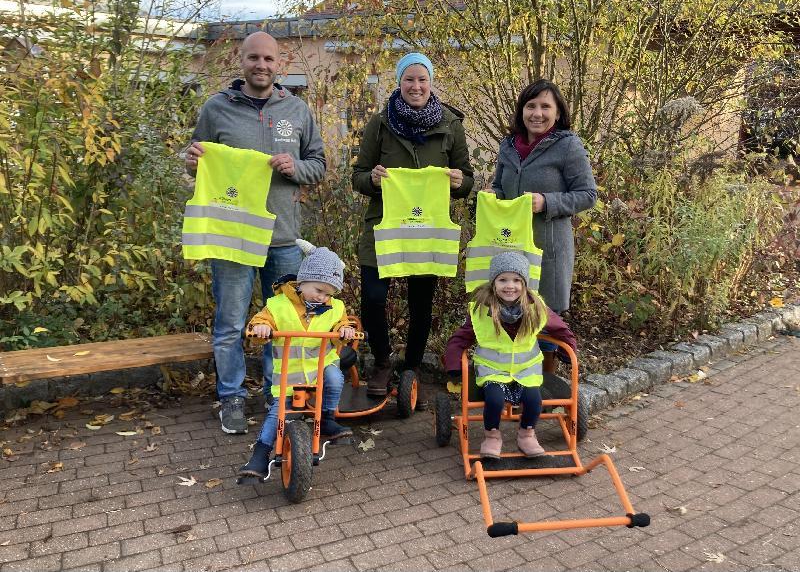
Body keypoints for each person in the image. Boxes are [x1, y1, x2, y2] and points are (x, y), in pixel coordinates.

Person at [185, 32, 326, 434]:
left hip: (282, 239)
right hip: (231, 238)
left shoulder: (297, 109)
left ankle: (275, 393)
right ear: (241, 61)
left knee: (282, 323)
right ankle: (231, 397)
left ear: (280, 63)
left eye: (268, 58)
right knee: (230, 324)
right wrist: (192, 161)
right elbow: (194, 167)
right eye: (253, 58)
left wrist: (294, 168)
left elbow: (318, 164)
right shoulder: (216, 108)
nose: (261, 65)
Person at [352, 52, 475, 396]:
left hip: (428, 227)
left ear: (431, 83)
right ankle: (381, 362)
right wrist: (372, 179)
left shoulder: (450, 124)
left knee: (421, 302)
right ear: (399, 82)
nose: (416, 86)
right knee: (373, 298)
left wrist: (457, 182)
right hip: (385, 226)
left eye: (422, 79)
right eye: (409, 79)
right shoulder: (380, 123)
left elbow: (468, 179)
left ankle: (413, 368)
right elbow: (357, 177)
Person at [238, 240, 356, 477]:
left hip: (321, 364)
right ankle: (260, 456)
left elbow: (343, 324)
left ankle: (327, 417)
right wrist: (260, 327)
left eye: (329, 293)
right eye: (319, 290)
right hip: (289, 374)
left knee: (334, 377)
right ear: (302, 282)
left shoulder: (336, 307)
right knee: (279, 412)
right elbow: (260, 321)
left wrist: (346, 330)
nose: (323, 297)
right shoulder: (278, 304)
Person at [444, 252, 577, 458]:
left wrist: (568, 350)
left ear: (524, 284)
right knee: (494, 400)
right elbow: (460, 339)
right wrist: (453, 364)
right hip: (493, 370)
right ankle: (492, 437)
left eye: (516, 280)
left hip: (526, 370)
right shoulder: (481, 310)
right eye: (503, 280)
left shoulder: (536, 307)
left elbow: (561, 329)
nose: (510, 286)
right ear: (493, 283)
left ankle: (527, 435)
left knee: (534, 400)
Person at [491, 79, 596, 315]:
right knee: (511, 314)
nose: (537, 113)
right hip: (510, 244)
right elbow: (500, 186)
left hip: (548, 247)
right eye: (531, 106)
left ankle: (548, 353)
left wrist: (547, 202)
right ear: (521, 111)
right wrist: (493, 195)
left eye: (545, 107)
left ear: (558, 113)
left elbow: (587, 194)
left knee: (544, 315)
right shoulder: (507, 146)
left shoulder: (568, 146)